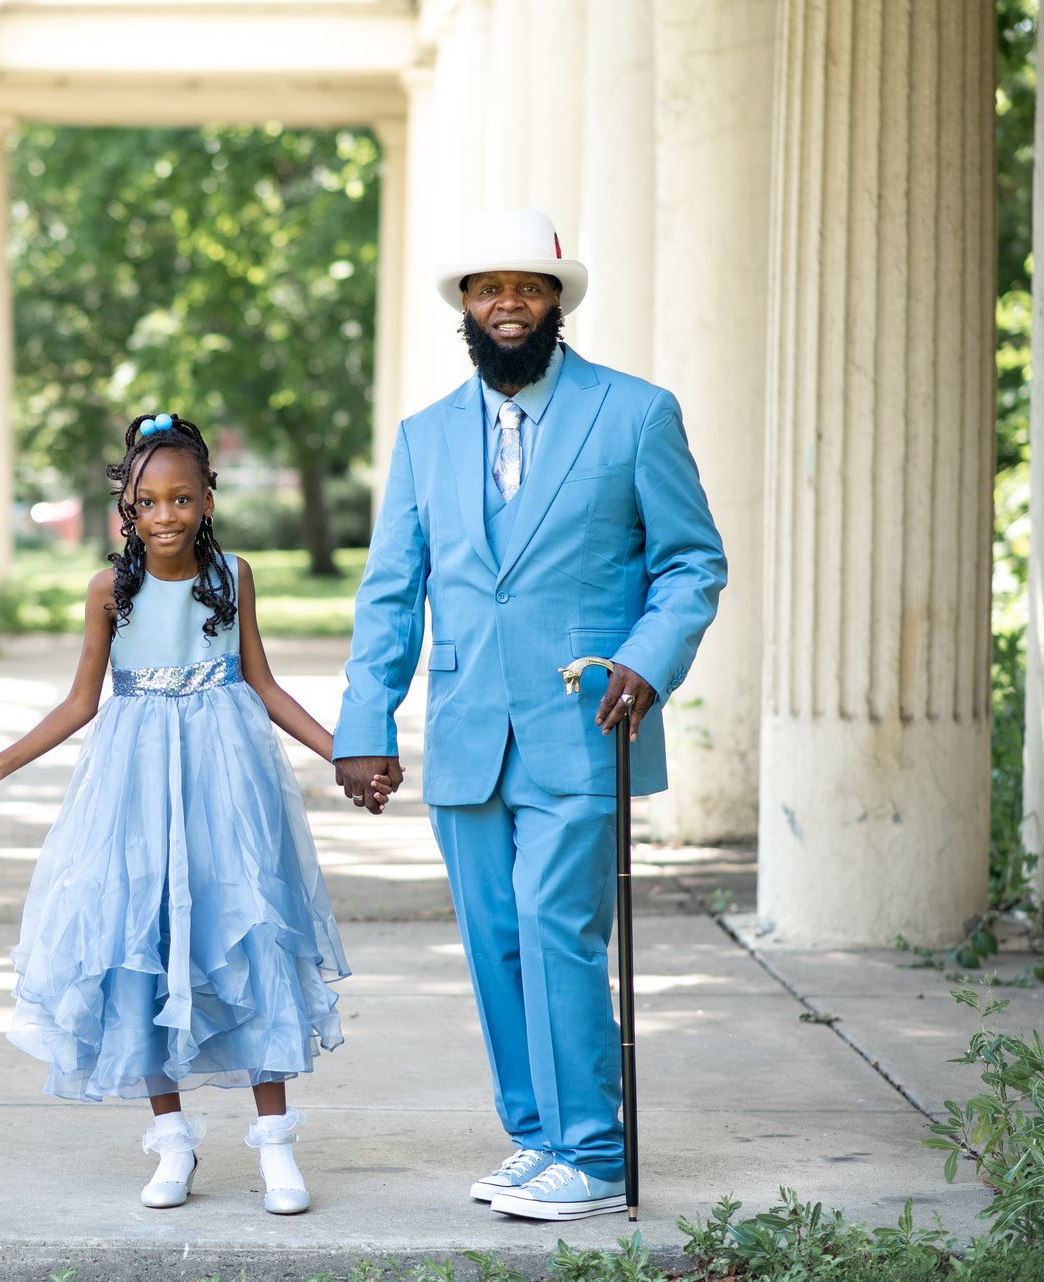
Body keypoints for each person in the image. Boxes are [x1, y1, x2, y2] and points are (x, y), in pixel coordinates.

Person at [333, 208, 725, 1222]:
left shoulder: (635, 415)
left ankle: (593, 1151)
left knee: (559, 927)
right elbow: (390, 592)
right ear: (465, 306)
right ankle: (538, 1136)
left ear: (558, 300)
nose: (506, 301)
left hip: (587, 722)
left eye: (527, 286)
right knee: (494, 937)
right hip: (468, 727)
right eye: (485, 287)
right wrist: (366, 721)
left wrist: (646, 659)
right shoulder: (425, 439)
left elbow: (691, 562)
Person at [0, 415, 383, 1215]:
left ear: (208, 498)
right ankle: (172, 1141)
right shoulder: (108, 591)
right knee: (141, 947)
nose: (167, 516)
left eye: (182, 498)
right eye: (148, 502)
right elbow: (81, 703)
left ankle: (277, 1146)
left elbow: (266, 684)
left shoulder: (235, 578)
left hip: (228, 786)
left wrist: (344, 753)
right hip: (135, 793)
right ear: (127, 510)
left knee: (247, 938)